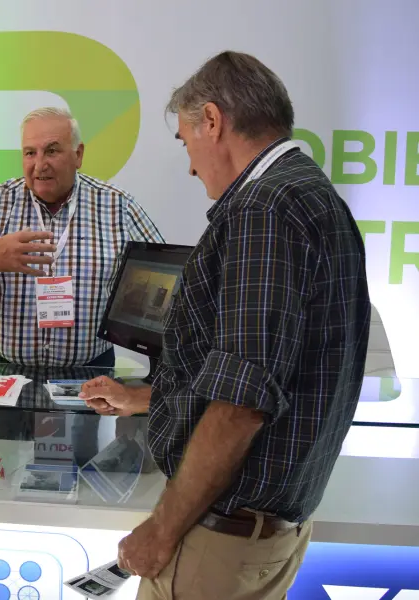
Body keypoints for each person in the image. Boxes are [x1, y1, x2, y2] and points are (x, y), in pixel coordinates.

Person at [83, 51, 371, 599]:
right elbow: (273, 368)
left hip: (221, 537)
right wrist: (148, 398)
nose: (191, 165)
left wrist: (161, 530)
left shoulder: (264, 209)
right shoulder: (314, 196)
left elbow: (242, 402)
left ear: (212, 121)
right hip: (265, 529)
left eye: (185, 140)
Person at [0, 107, 164, 368]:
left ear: (78, 154)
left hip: (91, 373)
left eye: (52, 150)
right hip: (5, 372)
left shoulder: (118, 205)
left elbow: (166, 284)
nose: (39, 165)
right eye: (30, 153)